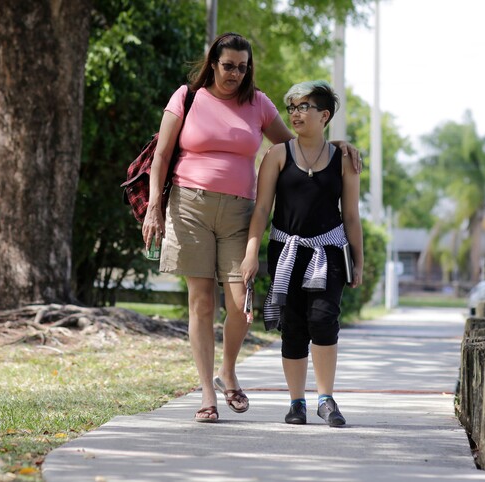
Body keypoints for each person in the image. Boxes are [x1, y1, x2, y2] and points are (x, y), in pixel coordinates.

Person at [143, 33, 361, 423]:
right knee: (201, 302)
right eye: (228, 65)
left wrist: (337, 143)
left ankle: (228, 368)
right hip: (189, 205)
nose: (235, 74)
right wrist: (154, 207)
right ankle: (208, 394)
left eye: (243, 67)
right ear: (213, 63)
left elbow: (298, 146)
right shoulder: (187, 98)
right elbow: (161, 154)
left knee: (241, 306)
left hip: (239, 212)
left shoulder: (257, 103)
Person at [241, 80, 363, 427]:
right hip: (286, 251)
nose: (295, 113)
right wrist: (252, 252)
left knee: (324, 320)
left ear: (324, 115)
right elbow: (262, 210)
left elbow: (352, 215)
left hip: (330, 251)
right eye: (292, 107)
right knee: (292, 327)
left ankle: (326, 399)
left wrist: (359, 261)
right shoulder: (277, 155)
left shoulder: (345, 160)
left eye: (304, 107)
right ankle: (297, 403)